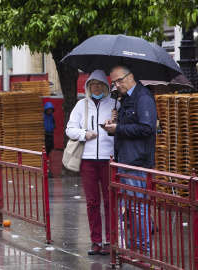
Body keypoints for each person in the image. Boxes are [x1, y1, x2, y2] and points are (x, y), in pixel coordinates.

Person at [103, 64, 157, 254]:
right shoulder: (126, 98)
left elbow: (147, 128)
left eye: (120, 80)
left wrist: (118, 128)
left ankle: (143, 251)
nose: (117, 85)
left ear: (131, 76)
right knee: (133, 207)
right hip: (126, 159)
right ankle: (136, 248)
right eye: (114, 82)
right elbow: (130, 127)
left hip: (136, 161)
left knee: (138, 208)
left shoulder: (142, 97)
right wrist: (115, 123)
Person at [66, 70, 118, 256]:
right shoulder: (81, 105)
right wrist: (84, 133)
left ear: (106, 85)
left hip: (108, 159)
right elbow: (70, 129)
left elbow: (123, 130)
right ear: (88, 86)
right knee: (92, 202)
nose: (96, 86)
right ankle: (96, 241)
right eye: (92, 83)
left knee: (109, 201)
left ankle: (110, 241)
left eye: (100, 83)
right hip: (87, 160)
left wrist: (115, 123)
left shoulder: (115, 104)